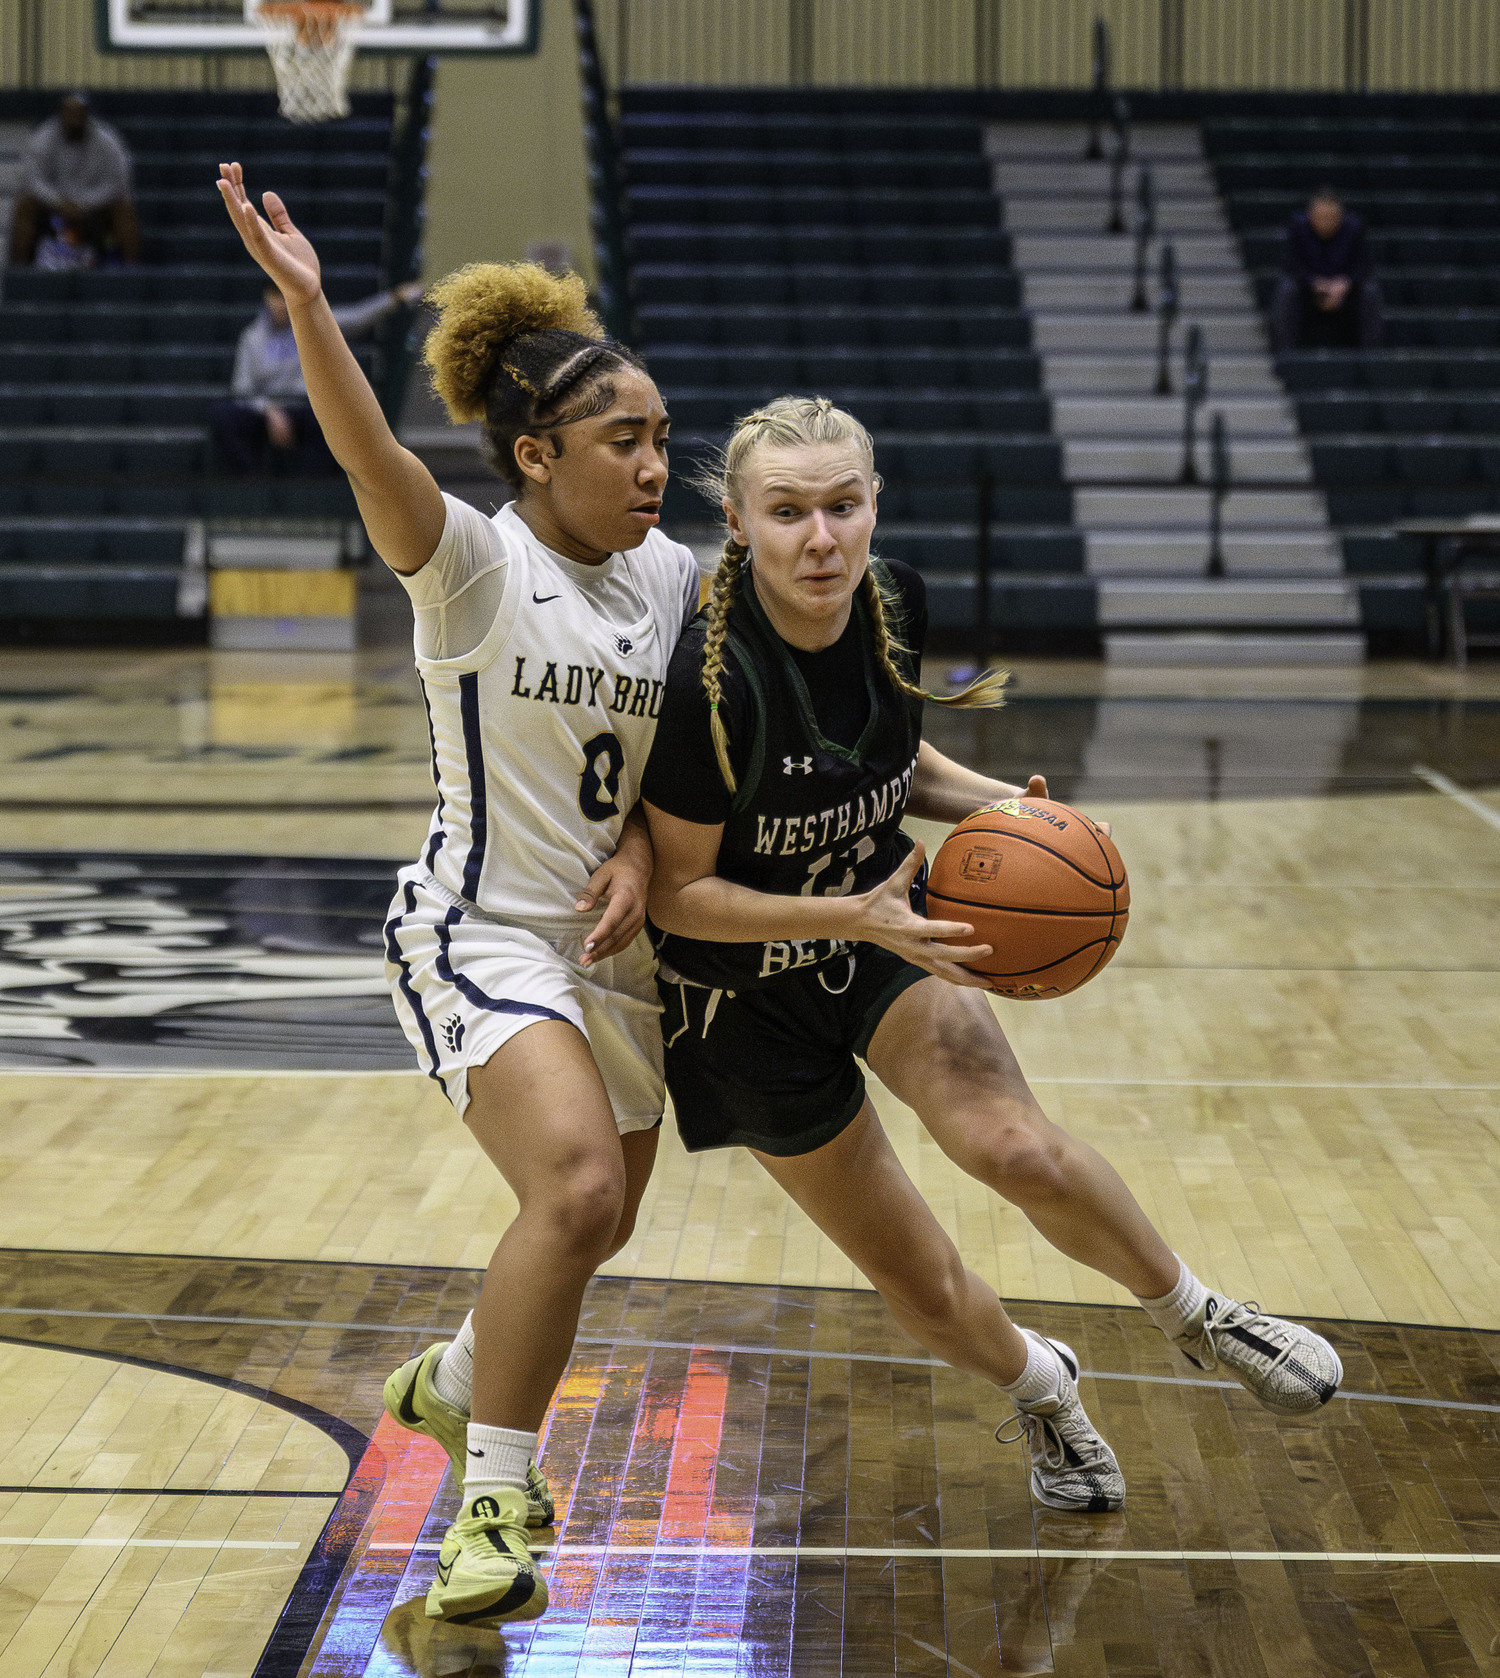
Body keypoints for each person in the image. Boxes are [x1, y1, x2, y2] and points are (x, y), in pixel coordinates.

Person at [639, 397, 1345, 1514]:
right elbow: (678, 900)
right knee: (918, 1277)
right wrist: (853, 918)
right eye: (787, 513)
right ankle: (1042, 1387)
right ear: (736, 523)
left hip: (889, 931)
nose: (819, 538)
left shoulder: (892, 599)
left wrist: (1006, 809)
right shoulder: (707, 685)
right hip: (742, 1003)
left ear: (875, 506)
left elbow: (889, 757)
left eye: (842, 505)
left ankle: (1199, 1314)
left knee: (1012, 1144)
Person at [215, 162, 700, 1627]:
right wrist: (309, 310)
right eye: (625, 440)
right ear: (538, 456)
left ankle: (454, 1373)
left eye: (666, 437)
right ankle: (488, 1501)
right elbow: (370, 458)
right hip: (479, 934)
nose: (656, 464)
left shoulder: (675, 575)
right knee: (576, 1187)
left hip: (619, 956)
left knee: (590, 1228)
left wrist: (638, 854)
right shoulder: (475, 567)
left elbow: (691, 757)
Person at [212, 280, 424, 474]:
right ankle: (252, 484)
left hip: (306, 406)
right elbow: (242, 385)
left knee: (329, 421)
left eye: (284, 296)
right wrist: (270, 410)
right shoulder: (252, 337)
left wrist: (394, 298)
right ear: (266, 297)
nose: (280, 303)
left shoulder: (312, 323)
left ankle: (310, 489)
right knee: (225, 416)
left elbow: (357, 318)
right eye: (275, 296)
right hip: (266, 409)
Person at [8, 92, 139, 267]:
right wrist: (59, 202)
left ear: (88, 114)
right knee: (25, 204)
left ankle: (130, 271)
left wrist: (85, 204)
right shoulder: (44, 138)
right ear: (61, 113)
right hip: (53, 208)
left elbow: (118, 181)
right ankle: (19, 272)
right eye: (69, 112)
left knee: (125, 207)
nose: (74, 118)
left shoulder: (107, 141)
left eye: (79, 113)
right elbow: (32, 179)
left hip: (95, 209)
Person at [1271, 185, 1382, 352]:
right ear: (1310, 215)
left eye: (1331, 218)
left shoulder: (1354, 229)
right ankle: (1284, 356)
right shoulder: (1298, 228)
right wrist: (1314, 283)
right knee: (1287, 290)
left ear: (1341, 216)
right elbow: (1292, 265)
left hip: (1345, 293)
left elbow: (1363, 266)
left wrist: (1345, 283)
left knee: (1370, 292)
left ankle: (1371, 358)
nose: (1325, 223)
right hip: (1307, 292)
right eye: (1320, 217)